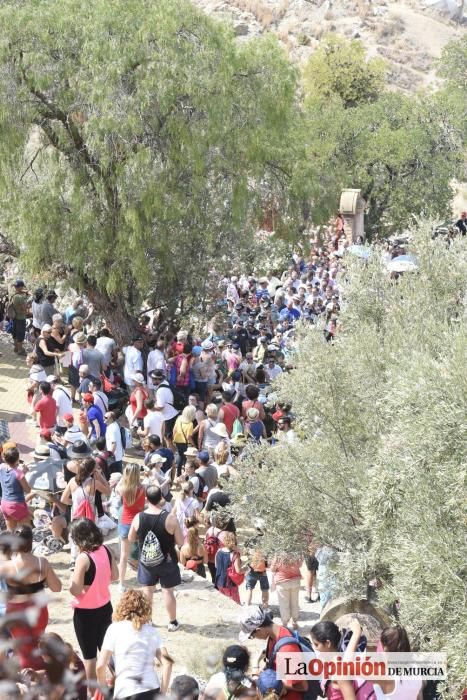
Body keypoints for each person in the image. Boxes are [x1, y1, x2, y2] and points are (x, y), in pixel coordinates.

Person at [0, 526, 62, 669]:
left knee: (23, 651)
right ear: (31, 541)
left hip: (17, 613)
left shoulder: (6, 567)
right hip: (39, 611)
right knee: (36, 646)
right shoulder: (42, 563)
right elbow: (57, 587)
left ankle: (29, 679)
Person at [96, 589, 174, 700]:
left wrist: (105, 693)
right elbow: (168, 663)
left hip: (125, 691)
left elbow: (100, 666)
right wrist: (162, 693)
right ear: (145, 609)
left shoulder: (114, 629)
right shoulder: (152, 631)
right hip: (151, 689)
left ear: (121, 607)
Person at [69, 517, 118, 689]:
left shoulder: (83, 558)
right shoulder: (106, 549)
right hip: (105, 608)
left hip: (85, 613)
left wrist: (76, 582)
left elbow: (74, 590)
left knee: (89, 656)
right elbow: (115, 576)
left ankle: (92, 693)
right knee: (107, 651)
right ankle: (118, 683)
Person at [128, 485, 183, 631]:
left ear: (146, 499)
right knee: (168, 591)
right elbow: (181, 542)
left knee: (147, 590)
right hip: (167, 560)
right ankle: (172, 622)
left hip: (146, 561)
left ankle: (147, 620)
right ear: (161, 499)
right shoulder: (170, 518)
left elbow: (131, 538)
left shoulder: (139, 517)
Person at [238, 606, 309, 700]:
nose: (254, 638)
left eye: (252, 636)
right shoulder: (274, 635)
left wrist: (271, 683)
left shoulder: (287, 650)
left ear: (259, 630)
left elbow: (303, 686)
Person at [61, 457, 111, 567]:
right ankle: (87, 560)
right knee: (89, 537)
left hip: (76, 513)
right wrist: (101, 476)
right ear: (92, 470)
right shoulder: (94, 483)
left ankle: (74, 560)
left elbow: (63, 500)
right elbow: (108, 491)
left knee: (75, 536)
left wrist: (75, 503)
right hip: (90, 514)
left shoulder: (72, 481)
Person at [117, 463, 146, 592]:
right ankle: (144, 579)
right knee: (142, 554)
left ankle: (121, 583)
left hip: (125, 522)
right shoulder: (143, 488)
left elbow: (117, 486)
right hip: (138, 522)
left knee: (123, 556)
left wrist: (124, 478)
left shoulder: (123, 489)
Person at [0, 447, 31, 531]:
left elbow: (11, 476)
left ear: (4, 458)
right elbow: (28, 490)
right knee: (25, 532)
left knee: (10, 531)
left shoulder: (1, 467)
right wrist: (23, 473)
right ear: (17, 459)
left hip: (4, 504)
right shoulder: (19, 473)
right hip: (17, 505)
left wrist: (22, 471)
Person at [270, 554, 302, 628]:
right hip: (295, 580)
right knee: (295, 602)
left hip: (282, 582)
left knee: (284, 604)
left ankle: (285, 624)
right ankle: (295, 622)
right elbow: (300, 565)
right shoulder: (297, 552)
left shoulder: (278, 554)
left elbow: (272, 569)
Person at [150, 369, 179, 449]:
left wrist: (151, 408)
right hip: (173, 413)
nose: (151, 380)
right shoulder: (166, 383)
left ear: (157, 379)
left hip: (169, 416)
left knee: (168, 438)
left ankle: (171, 455)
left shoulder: (160, 391)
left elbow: (160, 407)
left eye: (153, 379)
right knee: (167, 436)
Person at [215, 531, 243, 604]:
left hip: (219, 581)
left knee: (223, 603)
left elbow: (216, 565)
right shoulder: (234, 555)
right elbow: (238, 571)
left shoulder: (218, 551)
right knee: (235, 603)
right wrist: (246, 570)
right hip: (229, 584)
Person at [172, 405, 196, 476]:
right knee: (186, 459)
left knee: (180, 456)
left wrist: (174, 439)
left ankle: (178, 473)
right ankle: (186, 474)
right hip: (185, 443)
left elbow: (174, 430)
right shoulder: (190, 424)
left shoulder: (179, 418)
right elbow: (189, 437)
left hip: (177, 441)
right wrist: (194, 445)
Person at [10, 279, 29, 355]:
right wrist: (27, 302)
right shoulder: (20, 298)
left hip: (14, 317)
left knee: (15, 333)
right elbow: (24, 309)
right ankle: (20, 350)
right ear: (21, 287)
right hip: (20, 318)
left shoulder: (13, 295)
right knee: (20, 334)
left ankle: (16, 348)